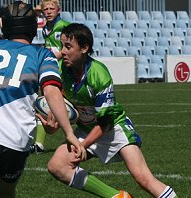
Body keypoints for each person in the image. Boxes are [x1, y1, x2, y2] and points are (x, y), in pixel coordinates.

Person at [0, 1, 86, 198]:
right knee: (5, 193)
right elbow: (52, 92)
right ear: (31, 27)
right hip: (16, 139)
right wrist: (69, 133)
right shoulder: (42, 55)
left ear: (4, 25)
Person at [39, 23, 178, 198]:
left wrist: (83, 145)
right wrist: (52, 126)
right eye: (62, 46)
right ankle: (117, 197)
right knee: (57, 166)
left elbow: (105, 124)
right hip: (86, 128)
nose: (63, 52)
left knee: (143, 178)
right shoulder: (59, 70)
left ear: (84, 48)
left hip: (114, 128)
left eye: (68, 46)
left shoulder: (99, 74)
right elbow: (60, 110)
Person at [31, 0, 71, 154]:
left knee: (67, 108)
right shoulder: (45, 28)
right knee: (45, 106)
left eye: (51, 9)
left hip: (63, 73)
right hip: (51, 72)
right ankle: (38, 144)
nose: (48, 11)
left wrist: (55, 56)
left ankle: (77, 138)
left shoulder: (64, 27)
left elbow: (67, 48)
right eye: (45, 9)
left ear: (58, 10)